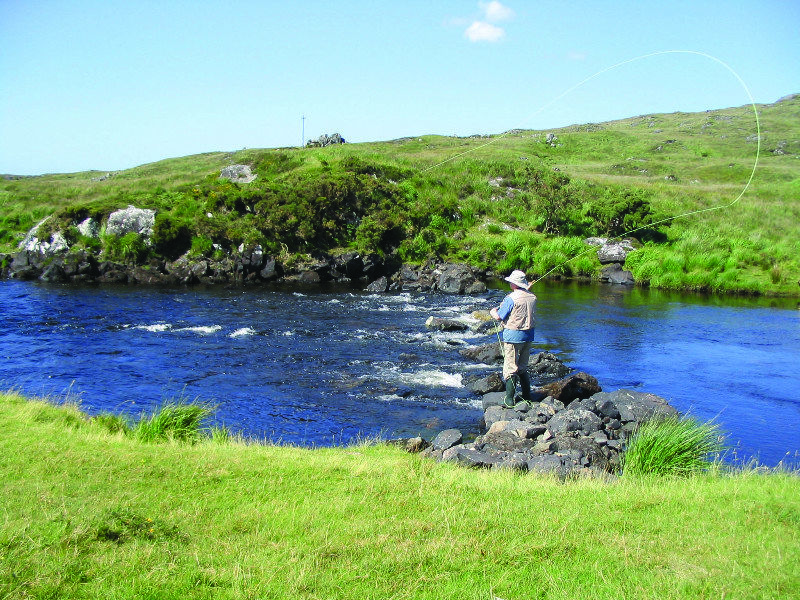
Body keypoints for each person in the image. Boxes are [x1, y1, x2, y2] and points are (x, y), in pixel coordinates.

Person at [490, 269, 537, 408]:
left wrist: (492, 312)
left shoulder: (511, 298)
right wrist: (526, 289)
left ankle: (509, 400)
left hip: (513, 336)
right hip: (528, 336)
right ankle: (527, 397)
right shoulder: (533, 297)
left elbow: (499, 316)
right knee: (522, 367)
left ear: (514, 284)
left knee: (510, 367)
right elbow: (525, 296)